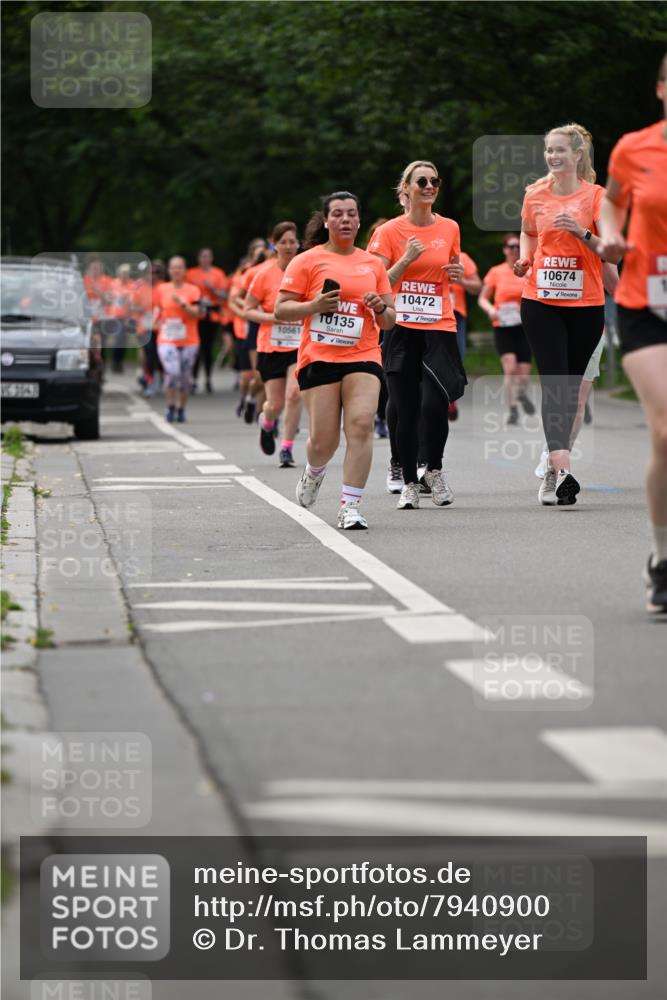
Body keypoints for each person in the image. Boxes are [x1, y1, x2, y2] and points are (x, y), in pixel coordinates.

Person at [274, 191, 395, 529]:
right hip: (320, 356)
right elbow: (281, 309)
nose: (345, 219)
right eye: (338, 214)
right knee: (323, 442)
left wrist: (380, 307)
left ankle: (350, 506)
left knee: (361, 424)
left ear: (359, 220)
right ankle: (314, 471)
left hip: (363, 354)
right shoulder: (307, 261)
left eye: (351, 213)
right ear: (326, 221)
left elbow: (390, 320)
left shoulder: (372, 264)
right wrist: (313, 306)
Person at [515, 123, 621, 506]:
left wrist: (581, 232)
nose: (553, 156)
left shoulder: (596, 197)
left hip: (586, 306)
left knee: (572, 392)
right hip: (540, 301)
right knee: (555, 385)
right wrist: (525, 259)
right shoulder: (534, 195)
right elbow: (528, 232)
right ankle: (562, 471)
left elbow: (612, 251)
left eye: (560, 150)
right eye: (549, 150)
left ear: (578, 155)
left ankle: (552, 464)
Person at [599, 53, 667, 612]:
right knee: (666, 428)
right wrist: (611, 237)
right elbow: (611, 203)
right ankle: (663, 559)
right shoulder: (633, 148)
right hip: (647, 303)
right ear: (662, 90)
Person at [369, 160, 466, 510]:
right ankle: (409, 481)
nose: (429, 186)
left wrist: (455, 273)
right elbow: (375, 282)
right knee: (406, 408)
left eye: (434, 181)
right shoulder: (389, 232)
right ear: (406, 189)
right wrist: (407, 258)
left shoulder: (450, 227)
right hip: (401, 327)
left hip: (439, 325)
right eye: (421, 181)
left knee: (436, 405)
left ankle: (434, 470)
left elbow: (451, 267)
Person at [244, 221, 303, 467]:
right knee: (274, 404)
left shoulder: (306, 269)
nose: (288, 246)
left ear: (298, 244)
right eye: (283, 242)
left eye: (292, 241)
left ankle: (287, 449)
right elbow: (247, 309)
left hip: (298, 345)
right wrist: (272, 318)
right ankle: (267, 422)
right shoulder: (264, 274)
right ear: (274, 245)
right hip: (271, 345)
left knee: (294, 394)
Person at [478, 233, 534, 425]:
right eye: (511, 246)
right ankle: (513, 410)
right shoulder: (496, 272)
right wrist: (490, 310)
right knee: (510, 369)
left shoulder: (528, 271)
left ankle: (522, 395)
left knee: (523, 375)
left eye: (518, 246)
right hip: (503, 326)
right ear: (504, 250)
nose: (515, 250)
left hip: (524, 326)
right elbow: (482, 298)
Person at [152, 256, 201, 422]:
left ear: (185, 270)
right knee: (172, 372)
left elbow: (198, 313)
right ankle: (170, 406)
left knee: (185, 377)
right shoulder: (162, 289)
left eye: (180, 267)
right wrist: (155, 321)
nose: (176, 271)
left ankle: (181, 408)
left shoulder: (193, 290)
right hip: (167, 338)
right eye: (173, 267)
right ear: (169, 270)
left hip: (189, 339)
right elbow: (156, 309)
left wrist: (183, 304)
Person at [186, 248, 227, 394]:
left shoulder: (218, 273)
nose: (205, 259)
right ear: (198, 258)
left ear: (211, 258)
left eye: (207, 256)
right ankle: (194, 379)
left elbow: (224, 295)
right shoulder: (191, 274)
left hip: (212, 316)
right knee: (196, 348)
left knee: (208, 349)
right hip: (197, 316)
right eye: (202, 256)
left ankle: (208, 378)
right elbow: (186, 292)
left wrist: (212, 288)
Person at [447, 250, 481, 419]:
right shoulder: (424, 252)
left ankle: (450, 398)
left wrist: (461, 281)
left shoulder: (463, 258)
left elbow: (477, 287)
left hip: (455, 315)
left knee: (456, 358)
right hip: (429, 313)